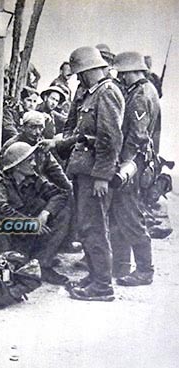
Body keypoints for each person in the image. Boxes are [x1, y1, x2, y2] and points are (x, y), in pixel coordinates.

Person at [51, 46, 124, 301]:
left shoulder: (107, 93)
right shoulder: (91, 93)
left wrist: (102, 176)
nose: (78, 79)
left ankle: (103, 286)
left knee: (95, 227)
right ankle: (95, 277)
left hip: (96, 174)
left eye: (81, 73)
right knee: (86, 226)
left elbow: (110, 138)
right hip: (86, 171)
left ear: (91, 70)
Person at [0, 142, 70, 285]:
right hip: (9, 235)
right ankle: (10, 272)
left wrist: (45, 213)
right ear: (17, 165)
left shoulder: (33, 179)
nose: (34, 164)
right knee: (8, 276)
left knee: (63, 211)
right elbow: (0, 210)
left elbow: (60, 194)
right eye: (29, 160)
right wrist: (30, 224)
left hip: (27, 233)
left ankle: (43, 264)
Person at [110, 51, 161, 286]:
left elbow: (138, 135)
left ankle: (144, 270)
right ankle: (120, 265)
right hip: (136, 161)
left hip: (133, 162)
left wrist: (124, 164)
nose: (121, 77)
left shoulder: (140, 94)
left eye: (123, 73)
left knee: (130, 215)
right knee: (121, 214)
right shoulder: (145, 90)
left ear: (131, 71)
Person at [0, 111, 72, 192]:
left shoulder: (41, 144)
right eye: (33, 127)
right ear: (23, 127)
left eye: (40, 128)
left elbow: (53, 168)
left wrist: (69, 187)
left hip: (36, 188)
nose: (37, 132)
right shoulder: (12, 145)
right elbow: (2, 173)